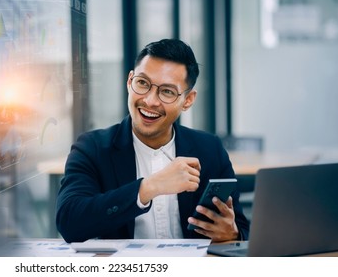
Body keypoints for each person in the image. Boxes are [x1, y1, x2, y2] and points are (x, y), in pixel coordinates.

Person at [56, 39, 249, 243]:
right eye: (142, 83)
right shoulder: (92, 148)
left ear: (188, 100)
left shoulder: (209, 149)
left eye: (167, 91)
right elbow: (69, 222)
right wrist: (149, 187)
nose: (150, 101)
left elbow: (243, 230)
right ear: (130, 82)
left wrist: (233, 234)